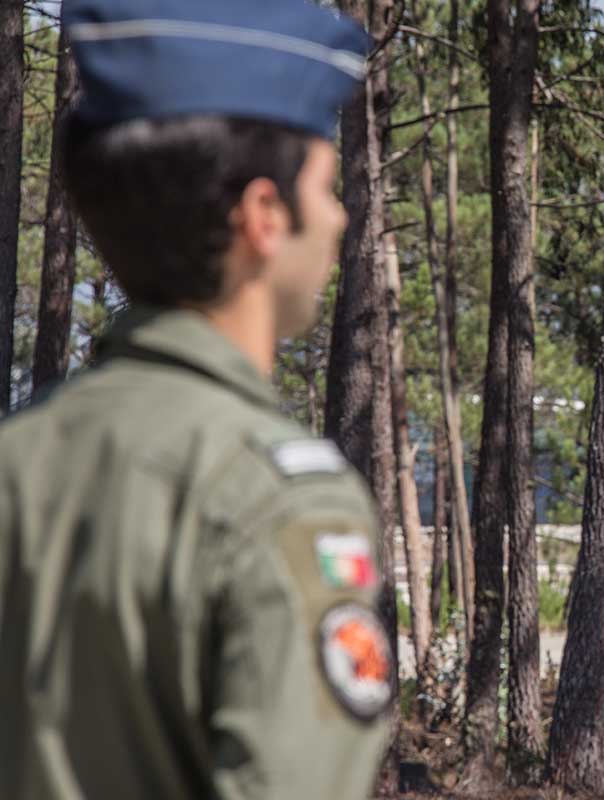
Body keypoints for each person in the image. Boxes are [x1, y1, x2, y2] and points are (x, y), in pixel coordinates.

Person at [0, 1, 395, 798]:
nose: (340, 215)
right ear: (262, 218)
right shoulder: (284, 502)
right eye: (324, 185)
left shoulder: (22, 454)